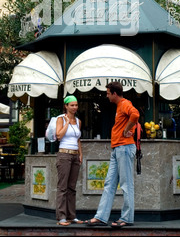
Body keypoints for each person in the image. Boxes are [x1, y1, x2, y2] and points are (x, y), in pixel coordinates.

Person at [86, 81, 139, 227]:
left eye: (108, 93)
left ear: (114, 93)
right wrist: (127, 128)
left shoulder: (124, 103)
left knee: (126, 184)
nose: (107, 96)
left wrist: (126, 129)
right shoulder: (119, 106)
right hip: (117, 149)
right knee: (109, 184)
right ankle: (101, 216)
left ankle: (127, 218)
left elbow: (135, 115)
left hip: (125, 148)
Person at [55, 95, 83, 226]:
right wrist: (67, 122)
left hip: (75, 155)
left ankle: (72, 216)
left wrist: (80, 154)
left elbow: (78, 139)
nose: (74, 107)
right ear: (66, 106)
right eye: (72, 105)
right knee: (63, 187)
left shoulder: (78, 121)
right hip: (64, 155)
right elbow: (59, 136)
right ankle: (61, 217)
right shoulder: (60, 119)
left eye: (76, 105)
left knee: (72, 188)